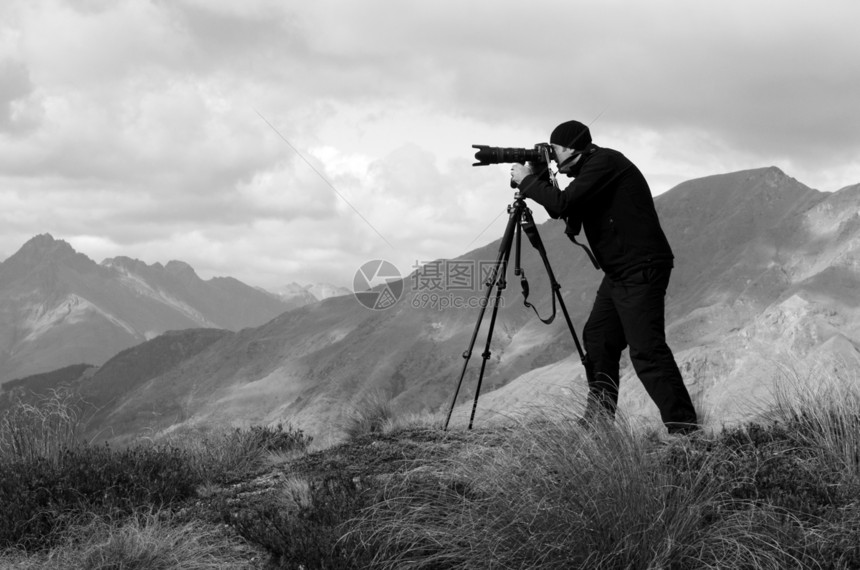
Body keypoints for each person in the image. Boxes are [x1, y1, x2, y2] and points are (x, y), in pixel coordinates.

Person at [510, 120, 698, 435]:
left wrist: (528, 181)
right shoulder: (591, 170)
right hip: (621, 271)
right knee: (598, 337)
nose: (553, 158)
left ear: (570, 147)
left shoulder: (605, 163)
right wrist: (539, 177)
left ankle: (686, 431)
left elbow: (562, 204)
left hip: (641, 268)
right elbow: (565, 208)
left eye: (554, 151)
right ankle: (598, 421)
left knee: (646, 350)